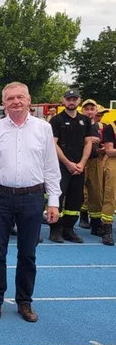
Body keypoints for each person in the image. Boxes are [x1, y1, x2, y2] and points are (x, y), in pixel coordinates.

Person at [0, 82, 61, 322]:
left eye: (20, 97)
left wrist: (53, 200)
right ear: (3, 103)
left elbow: (50, 166)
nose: (15, 101)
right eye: (10, 98)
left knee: (28, 253)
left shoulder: (43, 128)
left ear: (29, 100)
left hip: (32, 197)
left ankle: (24, 301)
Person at [49, 89, 96, 243]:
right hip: (61, 166)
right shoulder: (56, 120)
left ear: (79, 101)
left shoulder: (85, 120)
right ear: (63, 100)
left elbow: (88, 142)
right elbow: (53, 144)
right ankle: (55, 229)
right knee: (58, 196)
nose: (71, 102)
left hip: (79, 167)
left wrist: (82, 163)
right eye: (69, 99)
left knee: (76, 199)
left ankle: (68, 229)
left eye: (74, 99)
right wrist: (67, 163)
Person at [79, 99, 104, 234]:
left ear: (96, 111)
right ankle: (80, 217)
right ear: (82, 110)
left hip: (96, 161)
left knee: (96, 192)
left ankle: (96, 223)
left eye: (92, 109)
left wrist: (103, 148)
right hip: (80, 162)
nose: (89, 112)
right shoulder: (78, 124)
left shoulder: (101, 126)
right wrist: (87, 140)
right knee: (79, 192)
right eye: (86, 109)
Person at [99, 120, 116, 245]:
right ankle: (107, 227)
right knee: (111, 195)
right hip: (113, 161)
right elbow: (109, 151)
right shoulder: (111, 127)